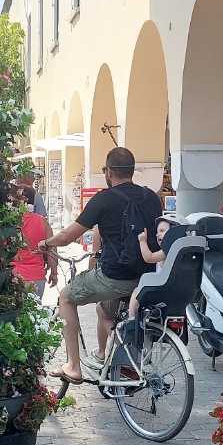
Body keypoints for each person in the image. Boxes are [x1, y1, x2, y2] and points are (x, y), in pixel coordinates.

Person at [39, 147, 162, 384]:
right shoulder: (151, 197)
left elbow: (67, 236)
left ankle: (73, 366)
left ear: (108, 172)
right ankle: (112, 355)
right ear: (132, 171)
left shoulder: (103, 199)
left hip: (115, 277)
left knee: (66, 297)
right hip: (146, 277)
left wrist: (46, 243)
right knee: (105, 310)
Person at [10, 185, 57, 301]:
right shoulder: (43, 222)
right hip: (37, 276)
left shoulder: (9, 222)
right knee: (35, 309)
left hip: (14, 276)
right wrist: (54, 273)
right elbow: (52, 251)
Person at [125, 217, 173, 321]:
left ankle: (131, 319)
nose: (158, 234)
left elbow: (149, 257)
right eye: (157, 232)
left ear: (173, 233)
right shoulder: (180, 251)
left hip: (161, 290)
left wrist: (142, 241)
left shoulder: (168, 251)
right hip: (173, 290)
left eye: (162, 231)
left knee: (136, 292)